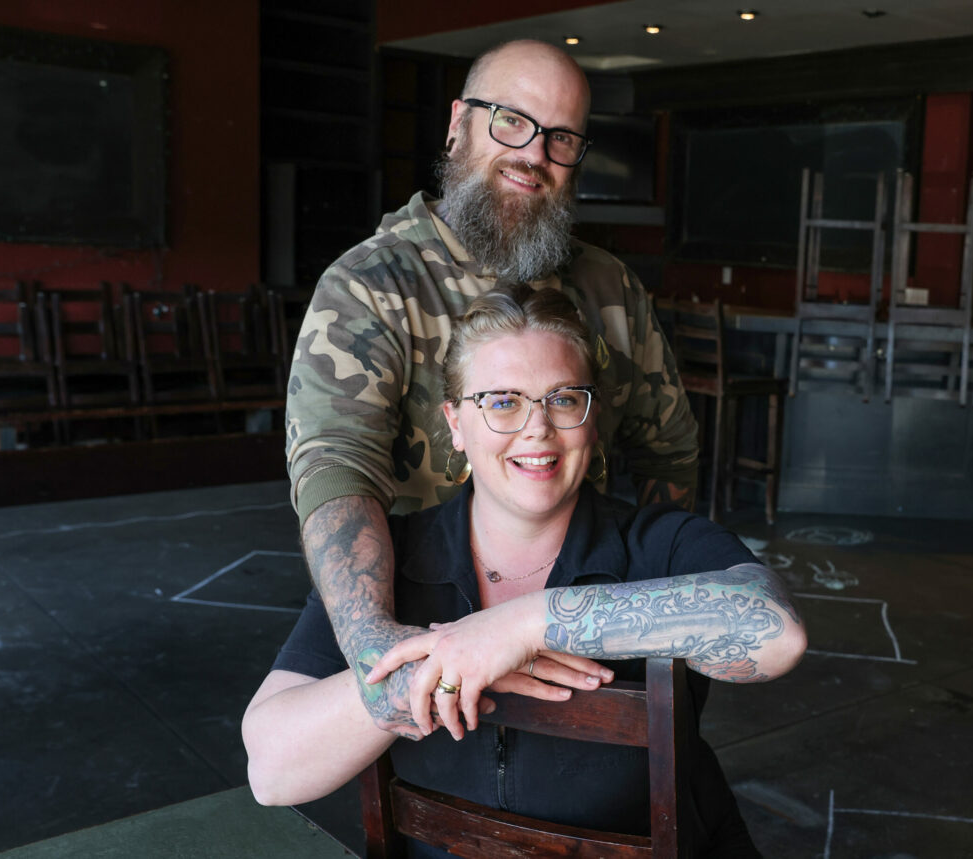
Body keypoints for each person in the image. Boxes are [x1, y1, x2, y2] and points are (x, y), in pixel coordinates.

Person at [247, 285, 806, 857]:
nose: (537, 427)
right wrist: (426, 674)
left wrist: (522, 624)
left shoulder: (655, 544)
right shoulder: (391, 558)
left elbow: (777, 634)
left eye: (563, 399)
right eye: (502, 401)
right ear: (456, 425)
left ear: (591, 418)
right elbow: (271, 771)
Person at [284, 38, 700, 727]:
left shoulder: (607, 286)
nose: (535, 154)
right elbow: (336, 466)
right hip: (422, 636)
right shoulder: (371, 285)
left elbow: (669, 448)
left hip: (573, 641)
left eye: (562, 138)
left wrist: (641, 624)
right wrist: (375, 651)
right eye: (511, 120)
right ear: (457, 123)